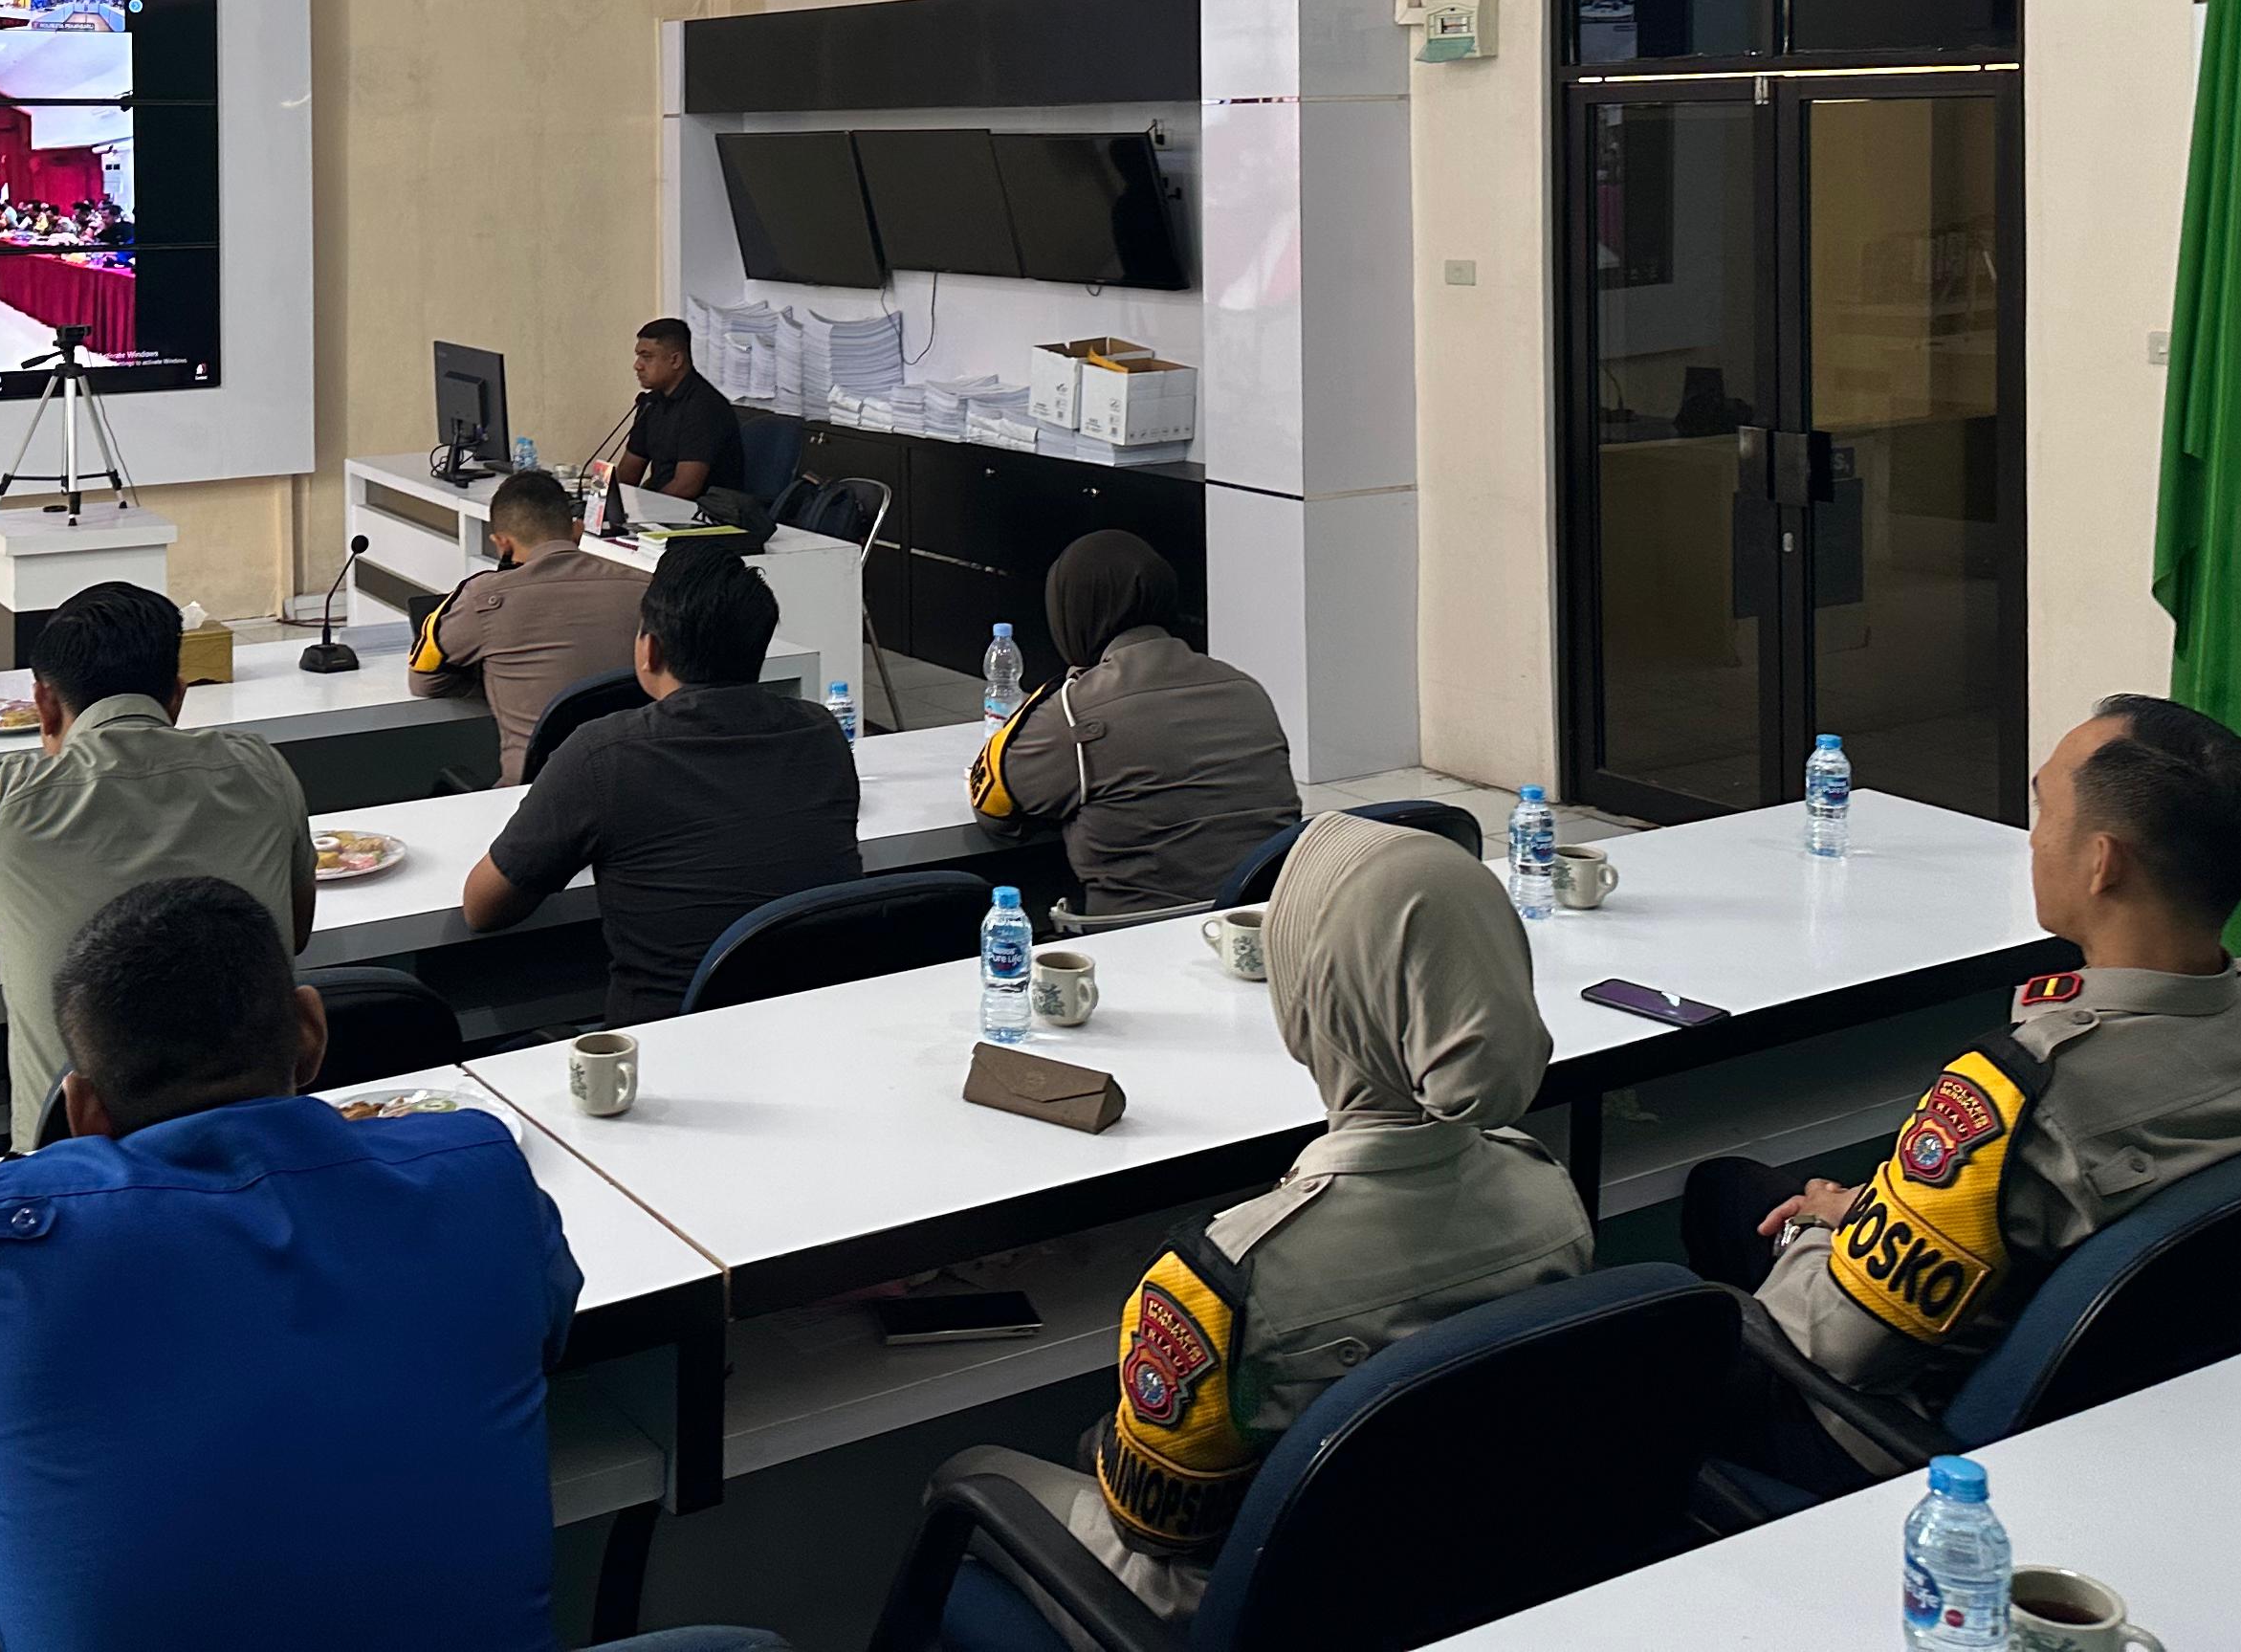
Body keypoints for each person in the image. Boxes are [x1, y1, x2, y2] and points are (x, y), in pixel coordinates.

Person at [0, 876, 583, 1651]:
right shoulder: (478, 1172)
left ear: (81, 1111)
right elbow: (544, 1331)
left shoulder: (10, 1237)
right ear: (310, 1033)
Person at [1681, 694, 2241, 1488]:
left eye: (2044, 813)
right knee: (1739, 1192)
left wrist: (1828, 1239)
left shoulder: (2023, 1098)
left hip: (1882, 1429)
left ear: (2102, 862)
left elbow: (1823, 1342)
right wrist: (1875, 1211)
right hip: (2147, 1382)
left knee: (1710, 1220)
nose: (2034, 841)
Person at [950, 812, 1593, 1622]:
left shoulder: (1220, 1282)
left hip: (1242, 1610)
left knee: (970, 1471)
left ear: (1306, 998)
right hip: (1458, 1584)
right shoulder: (1553, 1195)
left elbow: (1152, 1530)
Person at [0, 582, 315, 1135]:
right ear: (178, 696)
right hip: (257, 1146)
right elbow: (294, 932)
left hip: (76, 1169)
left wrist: (5, 931)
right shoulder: (263, 768)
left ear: (43, 703)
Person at [461, 550, 856, 1020]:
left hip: (665, 1044)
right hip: (812, 1026)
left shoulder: (603, 754)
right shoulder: (821, 732)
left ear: (649, 649)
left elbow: (483, 908)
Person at [969, 531, 1300, 915]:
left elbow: (996, 814)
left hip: (1134, 936)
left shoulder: (1072, 710)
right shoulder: (1245, 688)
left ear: (1071, 612)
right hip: (1263, 921)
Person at [407, 466, 653, 782]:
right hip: (637, 787)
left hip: (533, 800)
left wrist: (494, 674)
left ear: (502, 544)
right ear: (576, 529)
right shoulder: (646, 589)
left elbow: (424, 682)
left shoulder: (483, 598)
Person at [609, 316, 745, 501]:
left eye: (647, 357)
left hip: (701, 514)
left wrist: (645, 510)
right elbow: (628, 473)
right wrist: (599, 502)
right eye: (638, 356)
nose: (637, 366)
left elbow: (686, 487)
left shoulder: (704, 407)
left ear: (675, 360)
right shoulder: (650, 402)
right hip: (661, 506)